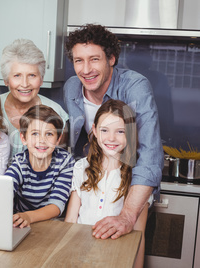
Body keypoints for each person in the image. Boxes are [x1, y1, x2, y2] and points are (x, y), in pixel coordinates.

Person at [63, 24, 163, 240]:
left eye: (94, 59)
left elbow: (150, 153)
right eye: (79, 60)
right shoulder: (71, 87)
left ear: (111, 59)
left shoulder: (135, 86)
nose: (86, 69)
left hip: (126, 185)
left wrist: (127, 216)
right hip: (90, 184)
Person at [65, 99, 148, 268]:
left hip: (117, 258)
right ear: (94, 130)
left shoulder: (139, 177)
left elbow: (139, 236)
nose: (111, 138)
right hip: (79, 255)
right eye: (105, 130)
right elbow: (70, 222)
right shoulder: (81, 168)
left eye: (120, 131)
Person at [5, 104, 74, 228]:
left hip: (52, 223)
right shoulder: (19, 163)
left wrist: (29, 216)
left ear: (58, 139)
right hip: (20, 222)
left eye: (49, 134)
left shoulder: (65, 162)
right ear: (23, 138)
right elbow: (4, 191)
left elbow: (56, 206)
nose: (42, 140)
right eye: (35, 134)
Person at [0, 39, 69, 159]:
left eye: (32, 75)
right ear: (6, 80)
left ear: (41, 79)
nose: (25, 84)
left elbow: (58, 163)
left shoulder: (56, 112)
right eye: (17, 75)